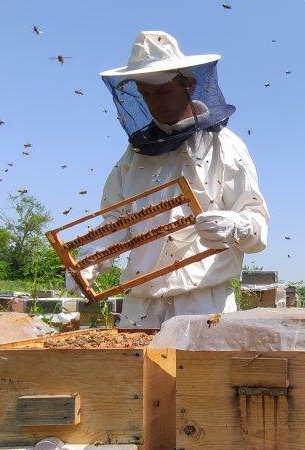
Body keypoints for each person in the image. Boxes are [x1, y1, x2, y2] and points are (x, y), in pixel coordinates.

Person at [67, 30, 269, 329]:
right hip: (139, 306)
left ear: (187, 84)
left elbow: (257, 223)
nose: (153, 103)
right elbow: (118, 221)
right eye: (145, 94)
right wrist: (90, 258)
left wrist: (234, 225)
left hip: (202, 302)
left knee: (200, 377)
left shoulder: (226, 146)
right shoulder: (135, 156)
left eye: (161, 92)